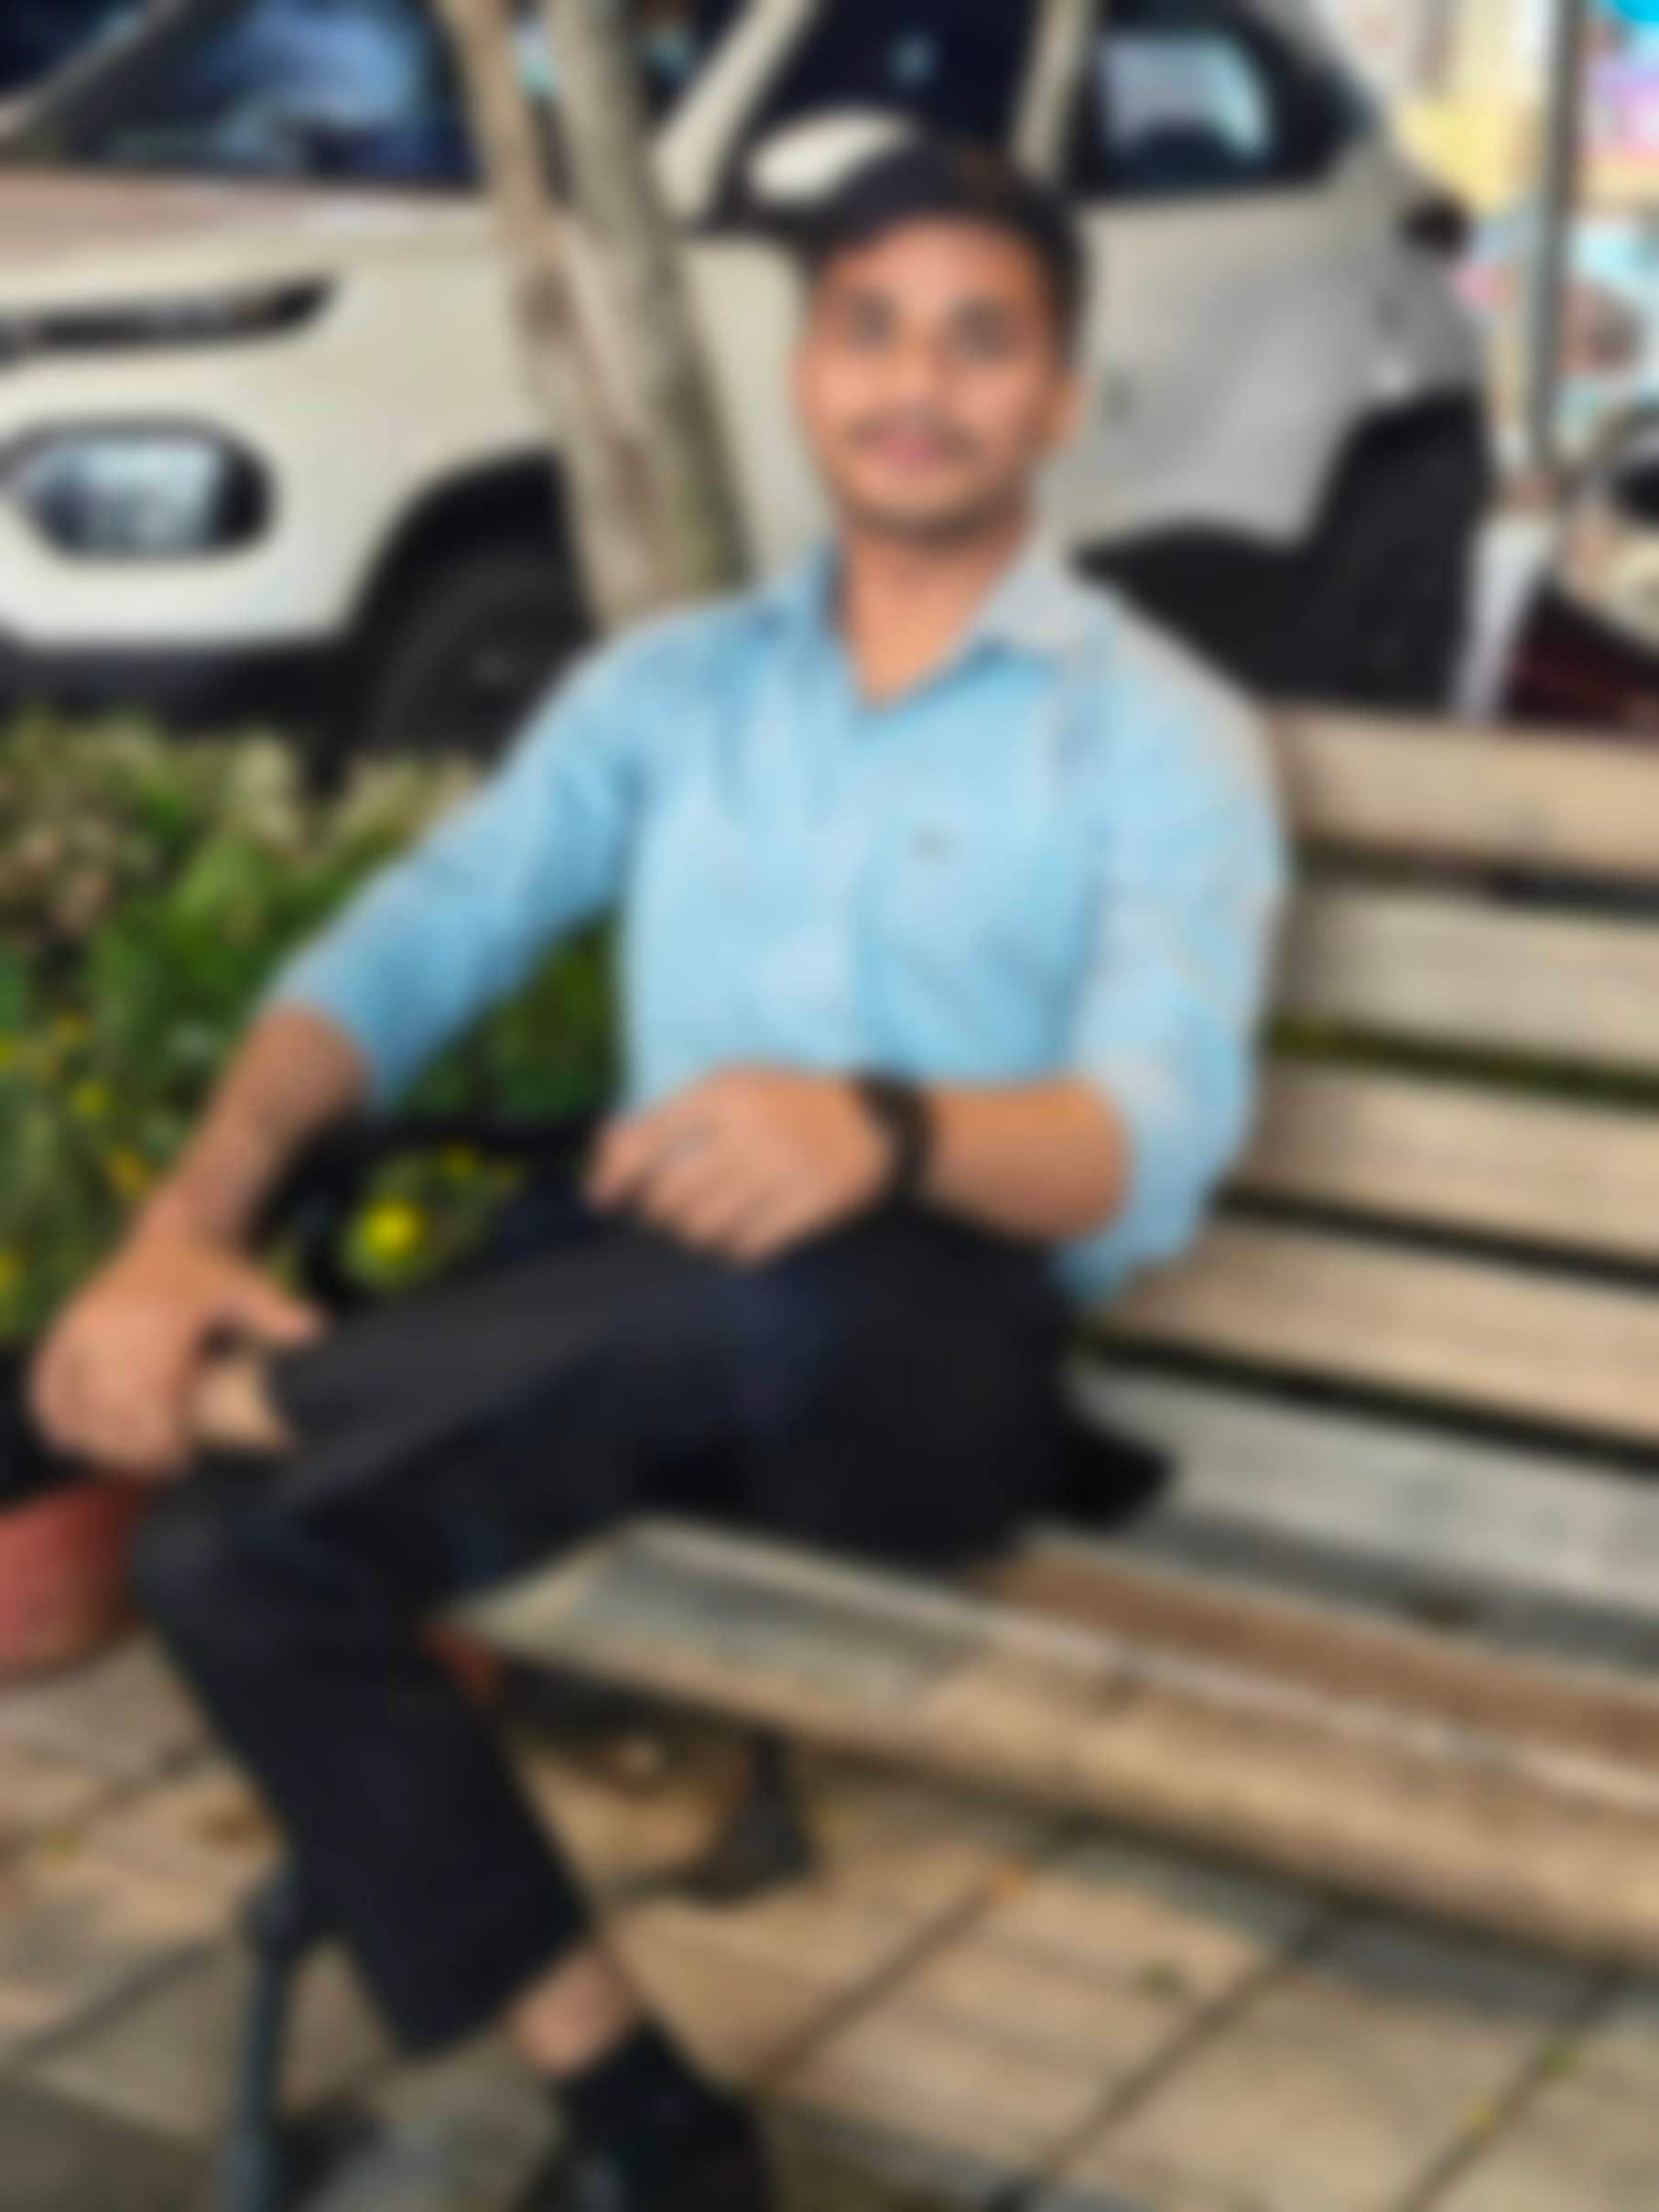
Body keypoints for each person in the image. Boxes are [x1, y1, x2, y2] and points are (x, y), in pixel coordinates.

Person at [27, 138, 1286, 2211]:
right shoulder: (674, 689)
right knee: (219, 1555)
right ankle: (648, 2126)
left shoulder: (1155, 733)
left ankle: (225, 1396)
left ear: (1059, 397)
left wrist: (889, 1129)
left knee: (792, 1282)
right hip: (622, 1332)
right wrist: (189, 1218)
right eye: (870, 329)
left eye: (980, 342)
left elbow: (1152, 1142)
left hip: (913, 1363)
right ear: (805, 369)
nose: (916, 384)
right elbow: (414, 942)